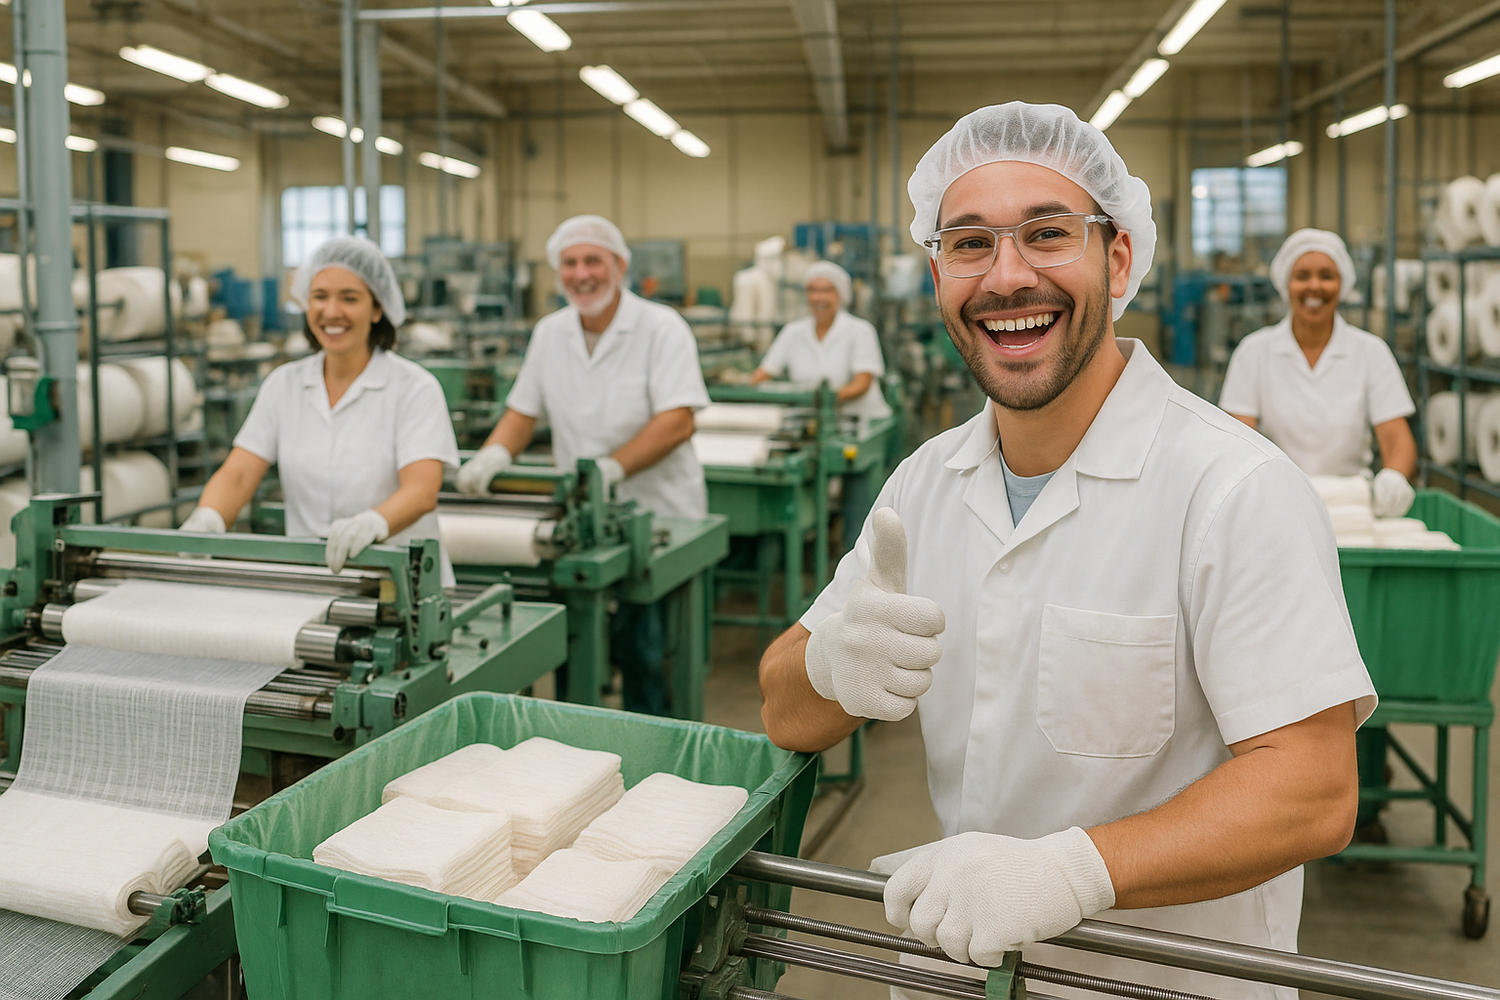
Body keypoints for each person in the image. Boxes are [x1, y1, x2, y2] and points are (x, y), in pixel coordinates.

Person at [758, 102, 1376, 1000]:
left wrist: (1071, 873)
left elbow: (1314, 790)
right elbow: (783, 713)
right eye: (968, 243)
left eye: (1048, 234)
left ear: (1117, 258)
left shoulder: (1232, 489)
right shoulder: (922, 487)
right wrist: (831, 668)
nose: (1007, 279)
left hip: (1161, 984)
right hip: (959, 974)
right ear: (936, 274)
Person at [454, 214, 710, 716]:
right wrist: (493, 454)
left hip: (656, 518)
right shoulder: (551, 333)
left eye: (593, 260)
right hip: (581, 521)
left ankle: (655, 755)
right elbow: (522, 411)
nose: (581, 273)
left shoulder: (661, 328)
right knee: (578, 646)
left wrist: (611, 469)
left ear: (620, 266)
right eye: (569, 263)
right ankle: (581, 755)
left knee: (646, 651)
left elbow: (678, 420)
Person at [179, 236, 459, 586]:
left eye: (349, 298)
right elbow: (238, 474)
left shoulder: (415, 389)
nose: (331, 312)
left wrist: (372, 524)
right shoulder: (284, 386)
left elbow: (421, 491)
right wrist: (208, 519)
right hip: (312, 586)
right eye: (320, 296)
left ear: (377, 309)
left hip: (402, 589)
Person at [1219, 228, 1418, 518]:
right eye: (1302, 276)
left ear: (1343, 283)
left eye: (1326, 276)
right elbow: (1240, 441)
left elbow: (1396, 437)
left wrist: (1395, 477)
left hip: (1352, 508)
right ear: (1286, 284)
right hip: (1276, 506)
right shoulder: (1254, 353)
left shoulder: (1370, 353)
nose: (1315, 286)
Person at [753, 261, 894, 548]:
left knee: (859, 499)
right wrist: (747, 389)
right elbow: (763, 373)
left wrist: (825, 400)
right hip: (811, 424)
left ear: (840, 295)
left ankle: (858, 555)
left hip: (859, 426)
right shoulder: (793, 332)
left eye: (826, 290)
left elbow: (863, 381)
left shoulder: (859, 331)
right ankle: (805, 538)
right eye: (812, 291)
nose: (818, 298)